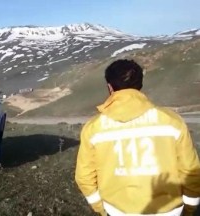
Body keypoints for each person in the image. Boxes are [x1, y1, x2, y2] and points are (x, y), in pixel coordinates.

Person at [75, 59, 200, 216]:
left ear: (110, 87)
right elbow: (191, 171)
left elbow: (84, 177)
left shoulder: (93, 128)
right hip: (169, 210)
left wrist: (100, 208)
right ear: (140, 86)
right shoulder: (172, 121)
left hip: (117, 210)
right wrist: (189, 209)